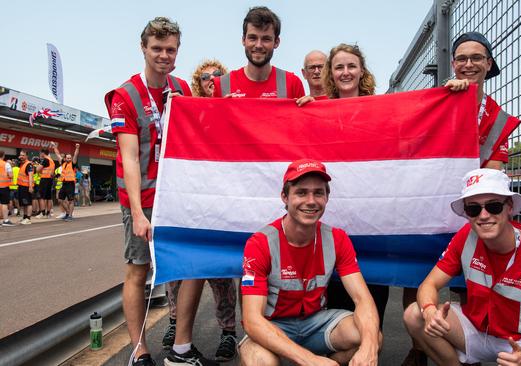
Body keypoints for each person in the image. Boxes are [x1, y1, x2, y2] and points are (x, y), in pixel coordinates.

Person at [403, 168, 521, 365]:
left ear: (509, 207)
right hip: (478, 331)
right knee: (414, 314)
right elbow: (429, 285)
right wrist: (429, 312)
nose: (483, 215)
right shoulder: (466, 236)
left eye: (493, 206)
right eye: (473, 209)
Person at [104, 17, 199, 366]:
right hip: (141, 200)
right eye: (157, 48)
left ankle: (182, 347)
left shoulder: (182, 88)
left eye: (170, 49)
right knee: (138, 271)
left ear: (177, 53)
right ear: (143, 48)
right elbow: (129, 158)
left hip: (177, 198)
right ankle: (139, 350)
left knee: (191, 267)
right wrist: (139, 213)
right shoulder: (125, 95)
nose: (163, 55)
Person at [240, 159, 381, 366]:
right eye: (301, 192)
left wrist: (370, 348)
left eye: (318, 193)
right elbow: (252, 321)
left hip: (316, 323)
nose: (311, 200)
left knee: (372, 337)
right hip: (273, 324)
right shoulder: (260, 243)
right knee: (259, 360)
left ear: (326, 198)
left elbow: (362, 300)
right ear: (285, 197)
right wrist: (310, 360)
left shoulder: (337, 238)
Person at [297, 43, 390, 334]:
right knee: (335, 290)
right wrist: (302, 115)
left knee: (373, 284)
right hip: (334, 217)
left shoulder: (382, 109)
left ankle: (370, 344)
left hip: (372, 216)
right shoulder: (318, 109)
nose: (346, 72)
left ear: (361, 70)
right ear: (330, 72)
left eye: (351, 66)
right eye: (339, 67)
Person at [160, 59, 238, 363]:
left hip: (222, 203)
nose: (212, 79)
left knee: (221, 275)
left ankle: (228, 332)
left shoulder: (233, 108)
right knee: (179, 271)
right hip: (191, 203)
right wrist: (178, 109)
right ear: (198, 81)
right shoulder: (186, 110)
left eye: (218, 76)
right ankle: (174, 324)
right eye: (206, 76)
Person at [444, 32, 521, 170]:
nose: (468, 64)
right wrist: (445, 98)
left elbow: (491, 173)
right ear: (453, 64)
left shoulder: (497, 118)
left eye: (476, 58)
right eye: (461, 59)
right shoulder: (437, 104)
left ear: (489, 63)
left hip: (473, 188)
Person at [212, 6, 305, 99]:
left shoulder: (292, 84)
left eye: (266, 39)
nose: (258, 45)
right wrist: (221, 110)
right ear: (243, 40)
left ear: (276, 42)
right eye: (253, 38)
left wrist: (312, 105)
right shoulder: (221, 85)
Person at [52, 142, 79, 221]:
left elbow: (76, 155)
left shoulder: (73, 164)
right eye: (68, 158)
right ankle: (67, 213)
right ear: (65, 159)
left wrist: (77, 148)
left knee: (71, 201)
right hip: (64, 183)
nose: (69, 159)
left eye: (70, 158)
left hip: (70, 184)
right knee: (60, 200)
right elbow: (58, 155)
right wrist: (54, 147)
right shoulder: (63, 163)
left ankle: (70, 215)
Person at [35, 148, 55, 218]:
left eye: (40, 153)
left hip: (44, 179)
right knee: (48, 197)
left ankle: (42, 213)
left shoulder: (45, 160)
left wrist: (37, 165)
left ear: (43, 153)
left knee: (41, 197)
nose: (40, 155)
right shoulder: (51, 160)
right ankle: (48, 214)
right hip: (50, 180)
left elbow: (37, 170)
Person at [16, 150, 34, 225]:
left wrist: (30, 187)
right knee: (24, 203)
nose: (21, 157)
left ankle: (28, 219)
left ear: (27, 156)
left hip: (26, 187)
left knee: (28, 203)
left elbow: (30, 176)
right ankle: (25, 217)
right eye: (21, 155)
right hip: (21, 186)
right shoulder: (22, 164)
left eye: (23, 155)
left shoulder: (29, 164)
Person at [0, 150, 14, 226]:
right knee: (4, 203)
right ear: (3, 156)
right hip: (3, 186)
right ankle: (5, 220)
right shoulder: (6, 164)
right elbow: (11, 175)